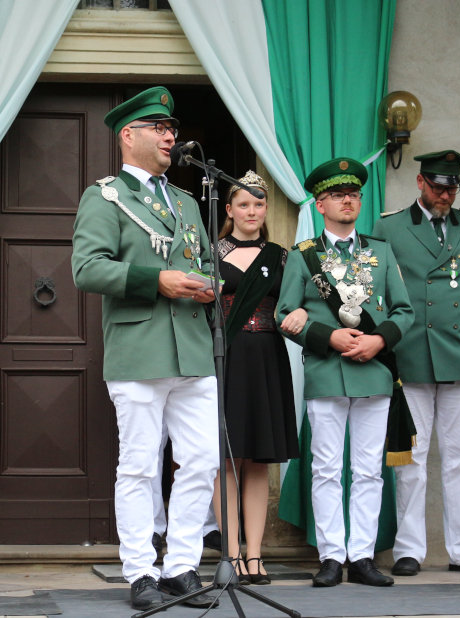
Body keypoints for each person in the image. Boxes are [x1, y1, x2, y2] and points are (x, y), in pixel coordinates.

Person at [71, 86, 220, 610]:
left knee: (201, 461)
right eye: (159, 128)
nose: (170, 135)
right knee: (139, 467)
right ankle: (141, 572)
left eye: (172, 128)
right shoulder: (105, 196)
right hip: (139, 351)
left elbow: (206, 264)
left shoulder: (183, 200)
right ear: (127, 136)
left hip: (194, 352)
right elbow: (87, 269)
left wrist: (207, 283)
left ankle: (182, 567)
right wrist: (157, 279)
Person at [276, 158, 414, 588]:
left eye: (353, 194)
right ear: (320, 204)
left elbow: (403, 310)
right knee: (327, 469)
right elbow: (285, 312)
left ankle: (364, 556)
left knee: (370, 470)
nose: (348, 201)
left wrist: (378, 341)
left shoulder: (381, 251)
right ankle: (332, 555)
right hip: (327, 372)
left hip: (373, 372)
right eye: (338, 195)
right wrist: (328, 338)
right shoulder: (303, 257)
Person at [372, 150, 460, 576]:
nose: (446, 194)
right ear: (421, 183)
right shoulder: (390, 227)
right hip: (411, 352)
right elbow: (380, 288)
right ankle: (409, 549)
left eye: (452, 187)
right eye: (438, 186)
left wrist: (459, 321)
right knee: (411, 454)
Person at [212, 170, 303, 585]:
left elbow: (296, 305)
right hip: (227, 359)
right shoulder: (210, 252)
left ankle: (254, 554)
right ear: (229, 210)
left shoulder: (283, 256)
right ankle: (229, 556)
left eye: (259, 204)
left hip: (267, 356)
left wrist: (302, 313)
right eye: (244, 204)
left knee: (259, 461)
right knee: (228, 459)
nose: (252, 211)